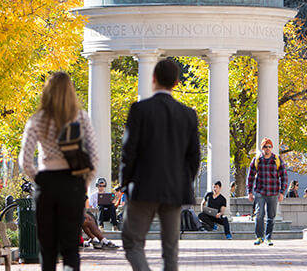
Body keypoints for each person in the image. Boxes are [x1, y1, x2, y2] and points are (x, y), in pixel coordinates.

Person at [119, 58, 201, 271]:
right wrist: (183, 181)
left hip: (143, 187)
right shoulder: (188, 115)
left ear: (153, 78)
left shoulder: (139, 110)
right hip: (174, 189)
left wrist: (124, 182)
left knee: (132, 241)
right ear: (176, 82)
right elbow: (194, 157)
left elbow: (129, 152)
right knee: (171, 250)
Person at [19, 71, 99, 271]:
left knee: (47, 248)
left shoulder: (38, 119)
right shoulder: (81, 117)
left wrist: (38, 178)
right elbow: (94, 156)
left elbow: (25, 160)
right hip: (73, 184)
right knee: (71, 246)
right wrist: (84, 183)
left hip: (47, 183)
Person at [247, 137, 288, 246]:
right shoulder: (257, 160)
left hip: (273, 191)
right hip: (260, 191)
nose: (267, 149)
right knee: (259, 214)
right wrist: (249, 192)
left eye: (269, 146)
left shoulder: (277, 160)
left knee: (271, 215)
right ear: (262, 148)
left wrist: (282, 192)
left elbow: (284, 177)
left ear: (272, 148)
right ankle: (259, 237)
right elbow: (250, 177)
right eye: (265, 146)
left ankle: (268, 237)